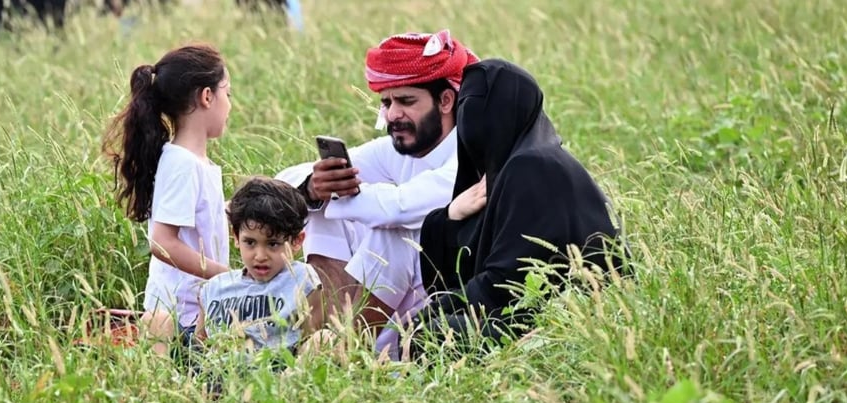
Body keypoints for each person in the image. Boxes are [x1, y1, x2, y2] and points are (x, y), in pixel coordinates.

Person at [274, 30, 483, 359]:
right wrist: (314, 187)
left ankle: (345, 351)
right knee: (322, 211)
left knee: (394, 231)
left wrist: (337, 194)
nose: (392, 115)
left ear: (446, 101)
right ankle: (318, 339)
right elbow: (285, 180)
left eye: (406, 102)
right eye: (387, 103)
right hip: (388, 299)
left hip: (443, 309)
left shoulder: (470, 152)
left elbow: (400, 208)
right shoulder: (400, 149)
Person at [412, 59, 627, 353]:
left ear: (507, 110)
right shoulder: (517, 164)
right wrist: (450, 216)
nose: (470, 117)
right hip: (540, 314)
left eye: (481, 105)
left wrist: (436, 310)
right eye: (465, 106)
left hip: (567, 325)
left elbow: (509, 282)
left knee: (429, 333)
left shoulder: (533, 168)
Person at [101, 44, 233, 350]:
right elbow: (162, 242)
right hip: (178, 319)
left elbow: (203, 220)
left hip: (198, 311)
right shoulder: (182, 163)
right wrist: (226, 276)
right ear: (207, 96)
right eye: (227, 93)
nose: (230, 105)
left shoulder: (195, 162)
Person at [195, 177, 323, 357]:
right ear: (236, 237)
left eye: (273, 244)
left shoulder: (301, 280)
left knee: (325, 338)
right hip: (223, 369)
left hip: (280, 370)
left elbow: (309, 343)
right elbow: (199, 348)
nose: (260, 256)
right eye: (250, 242)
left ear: (296, 241)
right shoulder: (214, 288)